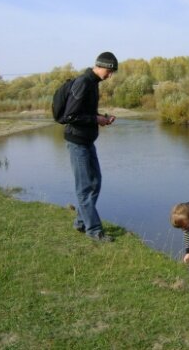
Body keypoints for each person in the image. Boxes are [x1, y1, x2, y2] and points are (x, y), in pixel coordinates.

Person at [64, 52, 118, 242]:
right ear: (101, 66)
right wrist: (96, 119)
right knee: (85, 187)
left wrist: (101, 117)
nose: (110, 76)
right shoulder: (84, 82)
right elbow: (70, 116)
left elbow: (85, 112)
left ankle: (81, 222)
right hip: (77, 142)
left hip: (87, 141)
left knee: (95, 182)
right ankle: (94, 231)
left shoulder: (93, 84)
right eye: (110, 71)